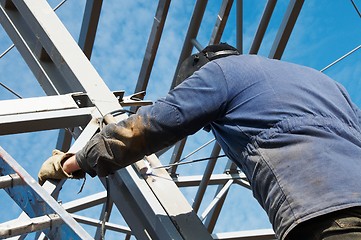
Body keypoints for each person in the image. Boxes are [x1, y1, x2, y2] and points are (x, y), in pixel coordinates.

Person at [38, 43, 361, 240]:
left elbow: (148, 127)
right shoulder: (325, 83)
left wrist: (75, 162)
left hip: (325, 216)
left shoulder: (222, 73)